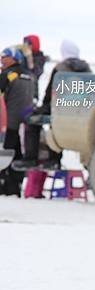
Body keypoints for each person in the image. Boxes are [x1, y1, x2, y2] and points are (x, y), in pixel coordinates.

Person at [12, 40, 91, 170]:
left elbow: (50, 92)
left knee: (32, 120)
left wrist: (42, 107)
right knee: (54, 123)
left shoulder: (60, 68)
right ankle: (54, 160)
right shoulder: (87, 69)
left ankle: (31, 159)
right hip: (81, 111)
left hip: (59, 108)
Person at [0, 46, 34, 195]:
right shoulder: (29, 76)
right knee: (17, 155)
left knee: (4, 155)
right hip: (24, 123)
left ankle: (4, 187)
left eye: (4, 56)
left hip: (7, 123)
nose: (1, 59)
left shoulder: (8, 75)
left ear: (13, 58)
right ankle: (15, 187)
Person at [22, 35, 47, 100]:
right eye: (24, 44)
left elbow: (36, 72)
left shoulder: (40, 57)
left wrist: (29, 58)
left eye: (29, 44)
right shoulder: (22, 56)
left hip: (32, 92)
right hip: (20, 91)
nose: (26, 46)